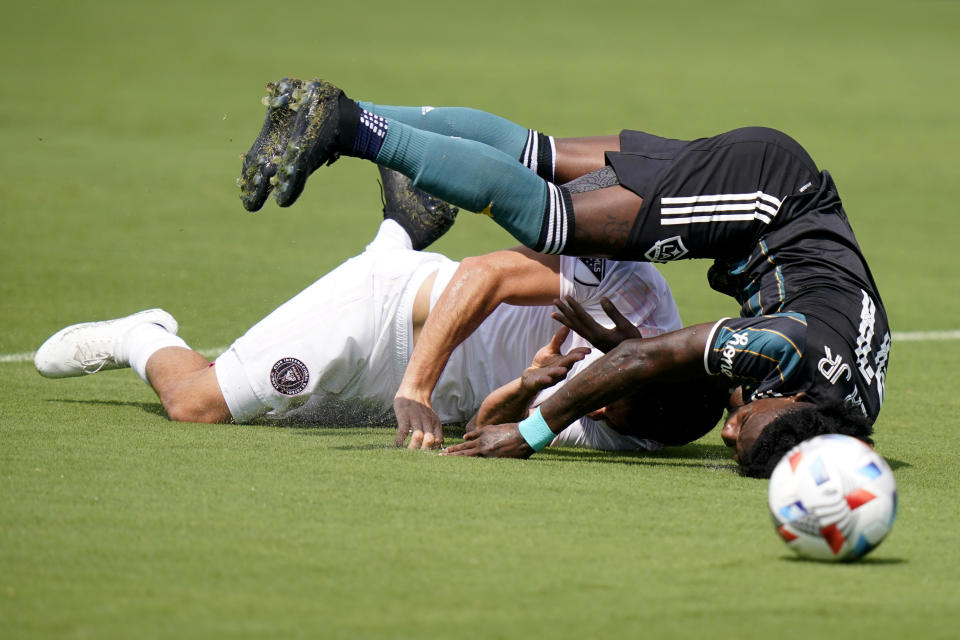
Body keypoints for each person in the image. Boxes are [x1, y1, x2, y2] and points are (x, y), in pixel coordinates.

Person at [237, 77, 890, 477]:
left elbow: (662, 363)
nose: (727, 429)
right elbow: (646, 357)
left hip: (766, 184)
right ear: (798, 409)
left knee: (538, 156)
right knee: (551, 222)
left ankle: (323, 111)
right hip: (760, 203)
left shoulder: (845, 408)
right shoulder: (793, 353)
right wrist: (531, 433)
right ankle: (350, 129)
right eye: (744, 428)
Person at [35, 167, 724, 453]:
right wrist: (415, 386)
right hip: (385, 318)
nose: (596, 407)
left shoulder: (627, 429)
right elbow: (484, 275)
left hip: (420, 397)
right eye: (610, 398)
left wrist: (528, 387)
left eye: (606, 413)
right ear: (645, 361)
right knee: (198, 405)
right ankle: (140, 333)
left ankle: (398, 232)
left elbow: (485, 429)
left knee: (293, 420)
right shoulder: (629, 290)